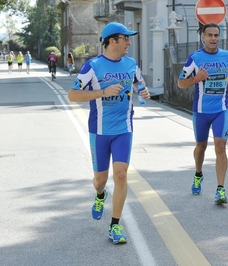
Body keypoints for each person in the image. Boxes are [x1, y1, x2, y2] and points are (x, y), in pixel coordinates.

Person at [68, 22, 150, 244]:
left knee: (121, 175)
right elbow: (73, 95)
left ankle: (115, 225)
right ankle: (100, 195)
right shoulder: (93, 66)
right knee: (100, 180)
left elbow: (139, 86)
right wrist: (102, 92)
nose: (129, 43)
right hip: (100, 132)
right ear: (112, 41)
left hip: (124, 129)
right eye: (125, 39)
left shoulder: (131, 64)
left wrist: (143, 91)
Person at [177, 22, 228, 204]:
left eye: (216, 35)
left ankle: (220, 189)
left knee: (220, 146)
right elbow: (180, 83)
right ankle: (198, 174)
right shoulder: (195, 58)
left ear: (219, 37)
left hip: (221, 110)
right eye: (209, 35)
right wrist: (197, 79)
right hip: (201, 112)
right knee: (201, 147)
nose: (213, 38)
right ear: (203, 37)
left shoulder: (227, 55)